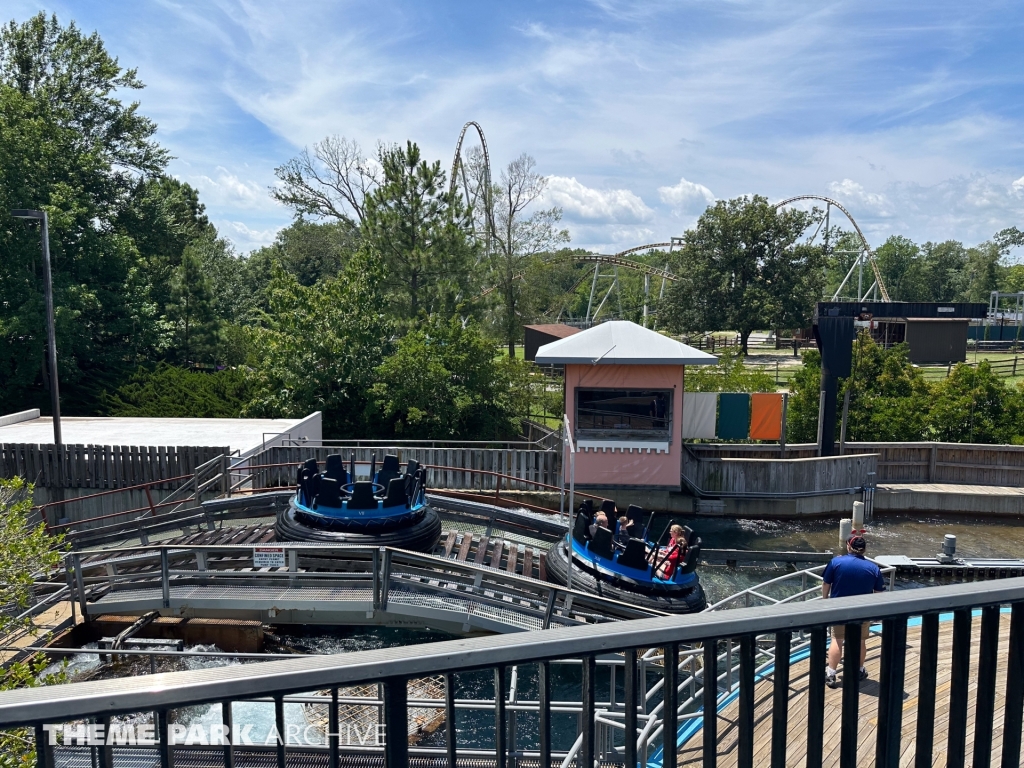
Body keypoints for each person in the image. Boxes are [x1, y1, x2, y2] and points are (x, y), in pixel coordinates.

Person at [822, 535, 885, 688]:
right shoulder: (874, 568)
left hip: (839, 608)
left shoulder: (836, 562)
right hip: (862, 610)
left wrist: (825, 599)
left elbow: (826, 583)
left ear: (848, 546)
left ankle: (831, 674)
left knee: (837, 640)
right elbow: (879, 593)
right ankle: (859, 670)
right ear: (864, 549)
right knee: (861, 641)